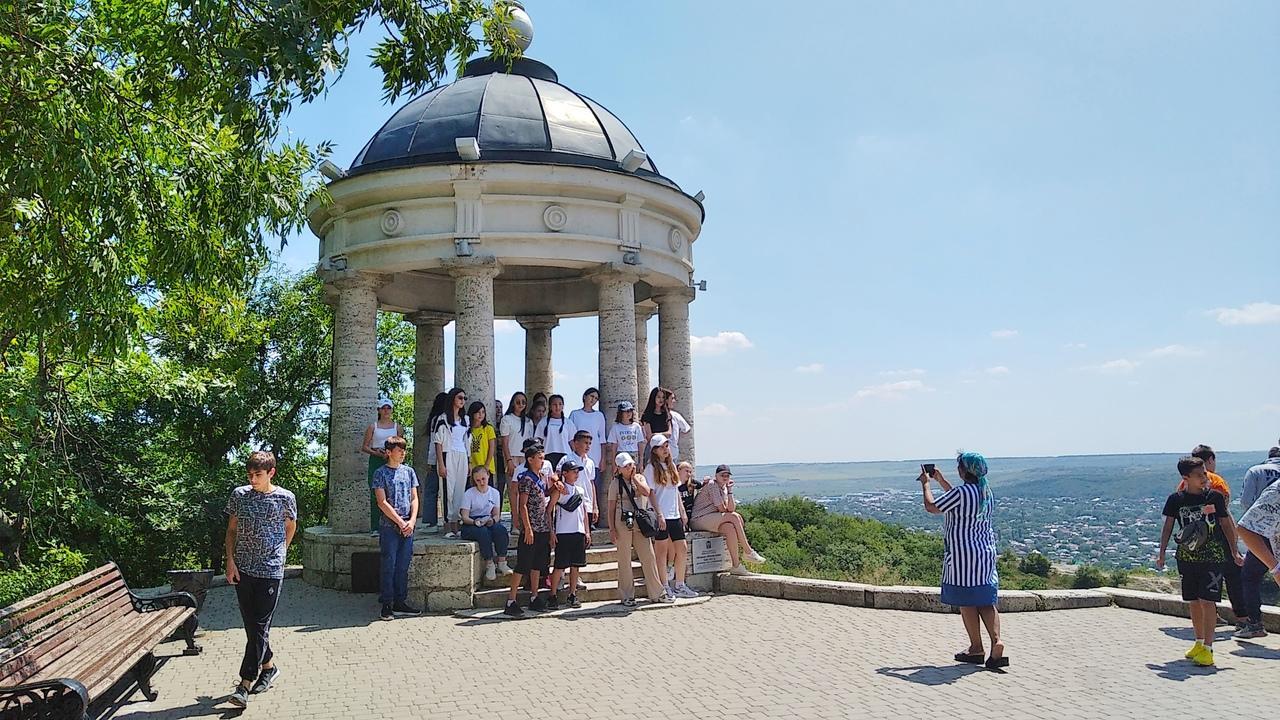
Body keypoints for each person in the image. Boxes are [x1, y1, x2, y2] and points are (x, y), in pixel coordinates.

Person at [920, 452, 1007, 670]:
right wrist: (940, 480)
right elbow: (959, 502)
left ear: (963, 470)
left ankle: (976, 648)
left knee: (967, 601)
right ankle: (997, 642)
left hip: (962, 556)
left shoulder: (961, 493)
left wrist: (926, 485)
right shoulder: (985, 491)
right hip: (984, 553)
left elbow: (933, 507)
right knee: (986, 600)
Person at [224, 451, 297, 708]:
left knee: (259, 626)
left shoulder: (285, 497)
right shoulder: (239, 496)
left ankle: (244, 684)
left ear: (271, 473)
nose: (253, 479)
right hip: (243, 569)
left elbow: (291, 527)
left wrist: (280, 552)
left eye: (258, 475)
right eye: (250, 475)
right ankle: (269, 667)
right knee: (253, 628)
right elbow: (231, 530)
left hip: (270, 570)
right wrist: (230, 561)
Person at [1157, 456, 1245, 667]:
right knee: (1193, 600)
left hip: (1213, 556)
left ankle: (1208, 647)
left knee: (1208, 601)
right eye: (1199, 475)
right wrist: (1161, 553)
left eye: (1205, 473)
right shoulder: (1175, 500)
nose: (1204, 478)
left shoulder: (1214, 497)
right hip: (1187, 557)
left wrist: (1234, 551)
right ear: (1185, 477)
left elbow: (1226, 523)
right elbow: (1168, 527)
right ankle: (1198, 641)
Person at [1175, 445, 1247, 628]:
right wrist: (1234, 541)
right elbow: (1224, 512)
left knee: (1201, 579)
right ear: (1210, 460)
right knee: (1233, 575)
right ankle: (1241, 617)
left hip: (1194, 539)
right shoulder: (1217, 482)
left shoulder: (1183, 484)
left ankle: (1211, 617)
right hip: (1217, 537)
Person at [607, 452, 672, 607]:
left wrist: (635, 478)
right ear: (619, 469)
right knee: (624, 559)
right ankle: (627, 595)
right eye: (626, 466)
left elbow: (647, 492)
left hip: (640, 522)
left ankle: (657, 592)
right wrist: (612, 528)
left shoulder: (640, 478)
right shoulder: (615, 483)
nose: (630, 468)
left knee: (648, 556)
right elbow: (610, 507)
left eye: (631, 464)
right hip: (622, 522)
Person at [371, 436, 421, 621]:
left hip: (408, 526)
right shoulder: (380, 473)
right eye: (399, 450)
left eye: (404, 450)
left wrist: (412, 521)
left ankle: (401, 601)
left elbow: (414, 497)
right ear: (389, 452)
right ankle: (386, 603)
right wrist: (400, 522)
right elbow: (381, 502)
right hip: (389, 526)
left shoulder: (409, 472)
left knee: (402, 565)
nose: (402, 453)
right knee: (389, 564)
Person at [504, 444, 557, 617]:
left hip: (542, 527)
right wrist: (527, 528)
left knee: (537, 565)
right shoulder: (526, 479)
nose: (542, 461)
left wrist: (557, 487)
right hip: (531, 528)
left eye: (543, 458)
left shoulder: (541, 477)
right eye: (540, 458)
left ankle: (534, 596)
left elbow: (546, 493)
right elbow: (523, 505)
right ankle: (511, 600)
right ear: (530, 459)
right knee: (523, 564)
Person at [1234, 446, 1280, 638]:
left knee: (1250, 577)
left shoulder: (1256, 471)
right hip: (1267, 534)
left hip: (1265, 535)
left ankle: (1254, 623)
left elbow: (1247, 507)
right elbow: (1246, 526)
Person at [689, 464, 767, 574]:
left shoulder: (724, 488)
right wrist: (735, 516)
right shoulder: (712, 485)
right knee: (735, 516)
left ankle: (736, 566)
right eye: (722, 475)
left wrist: (730, 491)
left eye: (727, 475)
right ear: (716, 475)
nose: (725, 477)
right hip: (699, 519)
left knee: (730, 527)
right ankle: (748, 551)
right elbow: (722, 509)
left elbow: (730, 509)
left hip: (713, 518)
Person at [647, 434, 697, 598]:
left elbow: (675, 491)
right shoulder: (651, 468)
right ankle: (664, 585)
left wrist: (681, 511)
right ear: (655, 450)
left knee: (681, 548)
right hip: (661, 514)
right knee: (661, 552)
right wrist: (659, 514)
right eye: (662, 446)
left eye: (666, 446)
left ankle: (680, 584)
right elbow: (651, 493)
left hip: (674, 514)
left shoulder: (672, 467)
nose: (665, 449)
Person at [548, 457, 591, 609]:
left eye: (577, 471)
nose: (576, 474)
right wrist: (552, 532)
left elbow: (584, 512)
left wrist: (587, 531)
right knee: (559, 566)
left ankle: (572, 594)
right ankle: (552, 595)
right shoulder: (559, 490)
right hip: (563, 532)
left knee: (575, 566)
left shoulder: (580, 490)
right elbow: (549, 511)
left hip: (578, 531)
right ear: (565, 473)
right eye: (573, 471)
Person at [460, 466, 512, 581]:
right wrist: (475, 522)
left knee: (500, 530)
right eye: (478, 480)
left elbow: (497, 514)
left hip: (487, 520)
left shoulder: (494, 493)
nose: (481, 483)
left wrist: (492, 521)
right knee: (482, 532)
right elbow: (464, 516)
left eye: (483, 479)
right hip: (471, 523)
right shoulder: (469, 493)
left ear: (488, 476)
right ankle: (489, 563)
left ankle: (502, 562)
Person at [362, 398, 404, 532]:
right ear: (379, 410)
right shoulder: (373, 426)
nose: (386, 410)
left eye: (388, 408)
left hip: (392, 459)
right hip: (377, 459)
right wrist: (378, 453)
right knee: (376, 492)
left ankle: (394, 524)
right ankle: (375, 526)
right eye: (383, 408)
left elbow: (401, 444)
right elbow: (365, 446)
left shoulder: (397, 427)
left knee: (393, 492)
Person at [436, 388, 469, 539]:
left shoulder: (465, 420)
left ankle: (457, 524)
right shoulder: (442, 419)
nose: (462, 400)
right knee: (447, 490)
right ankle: (447, 525)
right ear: (453, 399)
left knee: (460, 490)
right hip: (447, 454)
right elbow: (438, 442)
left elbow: (466, 441)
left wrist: (468, 461)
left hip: (462, 455)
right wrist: (441, 464)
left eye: (464, 398)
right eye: (460, 397)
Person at [419, 392, 448, 532]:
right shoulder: (440, 420)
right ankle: (433, 521)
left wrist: (431, 461)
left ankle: (431, 522)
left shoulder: (437, 419)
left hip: (438, 460)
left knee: (431, 490)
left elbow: (433, 443)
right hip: (443, 460)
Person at [499, 392, 532, 503]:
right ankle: (515, 518)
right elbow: (505, 442)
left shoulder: (529, 421)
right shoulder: (507, 419)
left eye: (523, 402)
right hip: (511, 456)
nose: (521, 404)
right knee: (513, 489)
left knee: (525, 489)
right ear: (513, 403)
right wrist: (508, 461)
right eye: (518, 402)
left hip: (526, 458)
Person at [568, 387, 607, 470]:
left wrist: (603, 459)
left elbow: (602, 439)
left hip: (595, 456)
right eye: (591, 396)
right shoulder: (575, 414)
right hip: (577, 455)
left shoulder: (599, 415)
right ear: (585, 396)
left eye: (596, 398)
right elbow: (570, 436)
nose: (593, 400)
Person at [605, 400, 643, 480]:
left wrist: (641, 462)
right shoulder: (616, 427)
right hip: (621, 454)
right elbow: (614, 446)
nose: (628, 413)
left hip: (634, 454)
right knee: (621, 479)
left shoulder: (636, 426)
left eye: (630, 411)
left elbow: (640, 444)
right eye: (625, 411)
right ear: (620, 413)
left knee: (634, 479)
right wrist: (613, 464)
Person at [638, 387, 671, 469]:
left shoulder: (666, 414)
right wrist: (662, 434)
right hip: (652, 448)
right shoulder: (647, 415)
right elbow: (649, 436)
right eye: (658, 397)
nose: (661, 399)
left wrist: (656, 434)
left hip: (665, 447)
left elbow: (669, 433)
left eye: (663, 397)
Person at [467, 400, 497, 481]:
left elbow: (491, 448)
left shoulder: (488, 428)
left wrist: (487, 465)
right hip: (472, 467)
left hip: (486, 466)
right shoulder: (467, 429)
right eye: (478, 412)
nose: (481, 414)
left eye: (483, 412)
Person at [666, 392, 692, 462]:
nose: (674, 401)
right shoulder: (675, 415)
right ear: (666, 400)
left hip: (673, 452)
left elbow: (686, 429)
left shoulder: (675, 415)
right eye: (672, 398)